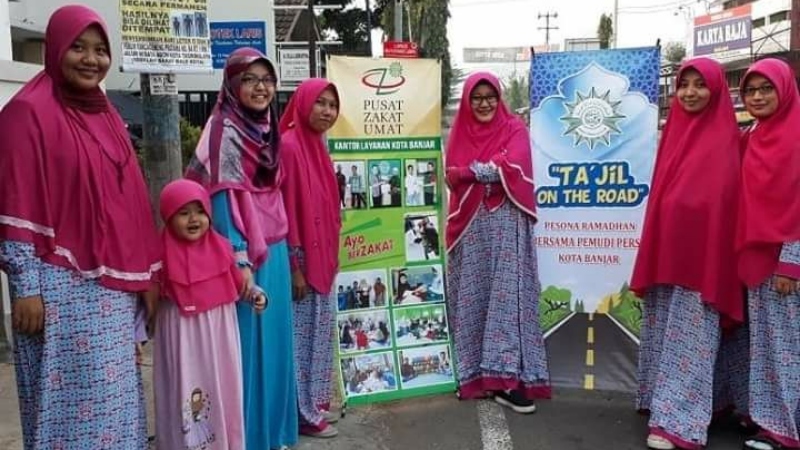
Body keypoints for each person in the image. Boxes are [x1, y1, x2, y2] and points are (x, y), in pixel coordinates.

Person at [0, 5, 160, 447]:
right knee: (68, 406)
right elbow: (14, 200)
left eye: (100, 50)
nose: (91, 60)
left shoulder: (107, 116)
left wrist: (148, 275)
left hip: (112, 289)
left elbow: (130, 204)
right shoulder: (26, 113)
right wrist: (25, 288)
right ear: (55, 49)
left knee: (117, 398)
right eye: (78, 48)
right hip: (56, 289)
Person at [185, 47, 298, 450]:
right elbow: (220, 197)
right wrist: (239, 258)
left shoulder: (267, 128)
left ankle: (273, 433)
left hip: (275, 246)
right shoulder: (225, 128)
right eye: (249, 79)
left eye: (266, 80)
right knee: (248, 348)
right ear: (232, 85)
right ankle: (247, 437)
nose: (260, 88)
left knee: (276, 343)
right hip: (245, 253)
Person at [629, 58, 743, 450]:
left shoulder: (726, 141)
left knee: (691, 341)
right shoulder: (674, 135)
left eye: (700, 84)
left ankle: (678, 422)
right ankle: (662, 403)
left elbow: (723, 208)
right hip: (666, 258)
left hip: (702, 266)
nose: (690, 92)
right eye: (684, 84)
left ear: (717, 90)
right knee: (664, 333)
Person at [445, 72, 550, 414]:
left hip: (507, 226)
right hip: (471, 229)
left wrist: (470, 172)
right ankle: (473, 374)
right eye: (476, 98)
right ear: (467, 101)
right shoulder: (459, 132)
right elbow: (450, 174)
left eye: (490, 96)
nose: (484, 103)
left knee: (506, 299)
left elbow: (512, 165)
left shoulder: (514, 128)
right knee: (472, 297)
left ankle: (505, 379)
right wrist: (485, 170)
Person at [154, 179, 267, 449]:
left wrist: (256, 295)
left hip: (220, 335)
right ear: (168, 216)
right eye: (183, 213)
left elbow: (240, 285)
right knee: (185, 387)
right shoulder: (159, 255)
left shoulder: (222, 248)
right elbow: (148, 296)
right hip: (182, 336)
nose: (194, 219)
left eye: (200, 211)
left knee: (222, 388)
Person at [735, 58, 800, 450]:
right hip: (756, 258)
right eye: (750, 91)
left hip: (785, 263)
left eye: (766, 89)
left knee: (784, 347)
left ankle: (784, 430)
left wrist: (791, 263)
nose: (757, 97)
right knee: (764, 343)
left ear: (785, 90)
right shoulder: (753, 136)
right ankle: (765, 416)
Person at [279, 78, 343, 438]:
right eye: (320, 103)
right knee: (301, 341)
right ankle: (301, 412)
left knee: (320, 334)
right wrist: (294, 267)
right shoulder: (290, 146)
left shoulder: (318, 146)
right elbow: (285, 211)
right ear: (303, 103)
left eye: (332, 105)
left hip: (323, 256)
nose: (327, 111)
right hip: (302, 257)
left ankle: (315, 403)